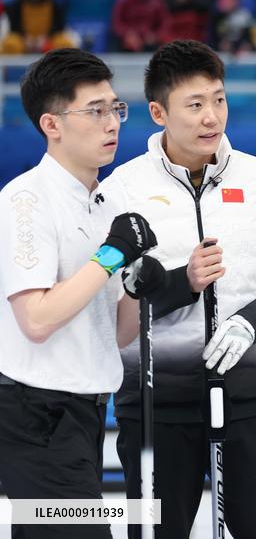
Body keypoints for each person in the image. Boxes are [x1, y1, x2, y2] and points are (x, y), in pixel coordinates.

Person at [103, 40, 256, 539]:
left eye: (218, 99)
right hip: (155, 406)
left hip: (249, 398)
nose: (211, 117)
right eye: (194, 105)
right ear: (159, 112)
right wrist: (182, 283)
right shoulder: (121, 189)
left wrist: (252, 320)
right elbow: (112, 309)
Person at [0, 48, 157, 538]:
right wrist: (112, 255)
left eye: (115, 108)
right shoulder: (25, 200)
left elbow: (118, 333)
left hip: (87, 408)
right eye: (95, 111)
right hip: (35, 410)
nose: (112, 122)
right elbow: (38, 320)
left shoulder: (107, 201)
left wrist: (139, 283)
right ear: (52, 124)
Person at [1, 0, 76, 54]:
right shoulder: (17, 4)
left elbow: (59, 27)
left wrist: (45, 39)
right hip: (23, 41)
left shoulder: (54, 3)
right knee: (11, 44)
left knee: (64, 43)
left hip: (48, 40)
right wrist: (26, 39)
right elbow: (14, 27)